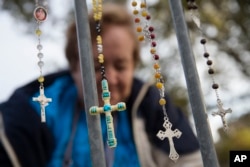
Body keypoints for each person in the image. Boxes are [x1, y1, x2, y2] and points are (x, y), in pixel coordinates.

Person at [0, 3, 203, 167]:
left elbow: (191, 162)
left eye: (121, 66)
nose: (110, 80)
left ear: (134, 65)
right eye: (97, 67)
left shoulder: (155, 108)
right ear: (74, 65)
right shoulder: (35, 107)